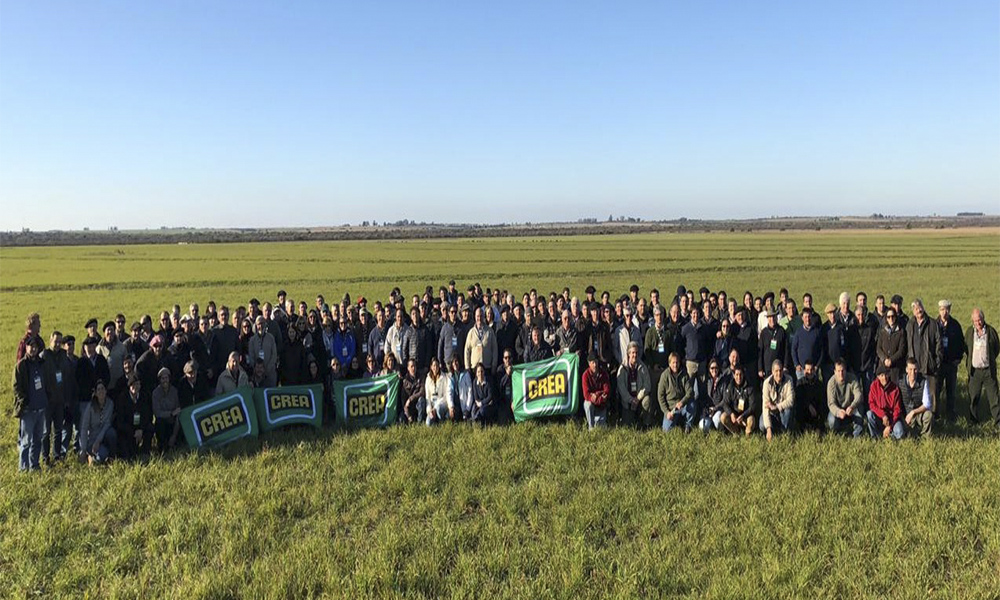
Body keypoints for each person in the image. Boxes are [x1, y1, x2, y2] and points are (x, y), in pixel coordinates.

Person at [13, 336, 55, 472]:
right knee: (26, 441)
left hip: (41, 407)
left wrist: (47, 397)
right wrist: (23, 401)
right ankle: (23, 468)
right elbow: (16, 387)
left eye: (35, 347)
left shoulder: (42, 363)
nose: (33, 349)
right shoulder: (21, 365)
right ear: (26, 347)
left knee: (38, 439)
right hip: (28, 410)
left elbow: (47, 381)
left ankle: (34, 465)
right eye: (31, 346)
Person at [905, 299, 943, 418]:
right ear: (913, 311)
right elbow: (906, 344)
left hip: (929, 366)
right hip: (914, 367)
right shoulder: (910, 324)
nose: (918, 310)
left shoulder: (932, 324)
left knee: (932, 394)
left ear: (923, 307)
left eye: (920, 307)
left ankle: (934, 419)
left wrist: (936, 363)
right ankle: (916, 419)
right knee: (916, 395)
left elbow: (939, 344)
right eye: (916, 308)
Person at [965, 308, 999, 425]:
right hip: (975, 371)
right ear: (972, 321)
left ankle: (998, 421)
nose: (978, 323)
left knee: (994, 397)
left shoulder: (991, 331)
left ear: (983, 319)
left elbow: (996, 348)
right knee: (973, 397)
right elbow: (966, 348)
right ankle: (973, 421)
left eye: (979, 320)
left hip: (988, 371)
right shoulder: (970, 332)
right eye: (975, 321)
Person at [935, 300, 966, 422]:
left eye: (946, 309)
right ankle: (936, 415)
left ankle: (950, 415)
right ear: (939, 310)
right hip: (939, 364)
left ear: (950, 310)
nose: (944, 312)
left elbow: (961, 344)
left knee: (951, 391)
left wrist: (957, 360)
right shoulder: (934, 325)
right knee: (936, 390)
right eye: (942, 309)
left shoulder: (955, 325)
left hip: (951, 364)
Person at [78, 380, 116, 465]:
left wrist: (98, 441)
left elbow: (107, 424)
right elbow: (84, 428)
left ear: (106, 391)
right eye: (98, 389)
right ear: (95, 393)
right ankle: (89, 455)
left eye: (103, 389)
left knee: (112, 433)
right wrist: (83, 449)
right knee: (100, 458)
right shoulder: (90, 407)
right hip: (92, 439)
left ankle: (111, 458)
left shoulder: (110, 404)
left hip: (103, 437)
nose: (101, 391)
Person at [114, 374, 153, 459]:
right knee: (128, 456)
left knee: (150, 428)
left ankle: (145, 452)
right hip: (128, 429)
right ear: (129, 386)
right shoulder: (122, 398)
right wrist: (133, 432)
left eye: (138, 384)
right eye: (133, 384)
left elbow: (147, 415)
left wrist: (141, 429)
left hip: (140, 427)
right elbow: (120, 421)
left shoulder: (144, 396)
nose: (136, 387)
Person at [658, 353, 696, 433]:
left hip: (683, 405)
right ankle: (678, 421)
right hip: (671, 408)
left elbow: (689, 391)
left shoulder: (684, 374)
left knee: (692, 404)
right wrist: (666, 412)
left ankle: (688, 425)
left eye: (677, 362)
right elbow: (660, 396)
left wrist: (682, 402)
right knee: (666, 430)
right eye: (673, 363)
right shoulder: (664, 376)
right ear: (669, 363)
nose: (675, 365)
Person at [826, 359, 864, 437]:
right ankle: (838, 434)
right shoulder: (831, 383)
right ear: (834, 372)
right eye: (838, 371)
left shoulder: (852, 378)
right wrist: (838, 411)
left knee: (860, 409)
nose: (841, 373)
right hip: (839, 409)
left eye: (842, 370)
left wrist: (852, 406)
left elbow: (859, 395)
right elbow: (831, 403)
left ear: (846, 370)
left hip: (851, 408)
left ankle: (857, 434)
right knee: (832, 420)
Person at [719, 364, 758, 436]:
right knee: (723, 417)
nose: (739, 377)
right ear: (734, 375)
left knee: (751, 420)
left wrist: (743, 415)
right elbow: (725, 403)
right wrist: (731, 414)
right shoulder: (730, 387)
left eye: (740, 374)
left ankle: (747, 436)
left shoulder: (749, 387)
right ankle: (736, 433)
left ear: (743, 375)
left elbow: (753, 406)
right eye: (737, 375)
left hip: (746, 416)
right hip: (735, 416)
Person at [760, 359, 795, 440]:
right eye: (776, 371)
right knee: (762, 425)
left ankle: (783, 432)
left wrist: (776, 406)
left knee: (788, 411)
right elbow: (765, 407)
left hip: (783, 410)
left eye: (780, 370)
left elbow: (791, 400)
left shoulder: (789, 380)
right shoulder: (766, 383)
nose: (779, 373)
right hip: (772, 413)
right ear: (772, 372)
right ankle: (773, 430)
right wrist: (768, 428)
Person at [867, 365, 904, 440]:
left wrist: (890, 426)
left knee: (900, 433)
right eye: (882, 375)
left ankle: (888, 434)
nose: (884, 378)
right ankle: (875, 437)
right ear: (878, 377)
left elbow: (897, 409)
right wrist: (883, 415)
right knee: (869, 414)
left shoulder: (895, 389)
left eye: (886, 375)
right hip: (879, 416)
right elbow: (871, 404)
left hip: (892, 418)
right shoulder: (874, 386)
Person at [899, 358, 933, 437]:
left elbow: (927, 404)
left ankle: (925, 437)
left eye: (915, 369)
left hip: (918, 413)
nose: (913, 372)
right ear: (906, 369)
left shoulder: (923, 381)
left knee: (929, 415)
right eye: (910, 369)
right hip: (904, 414)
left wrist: (913, 412)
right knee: (906, 435)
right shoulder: (900, 382)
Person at [757, 308, 791, 382]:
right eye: (770, 317)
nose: (772, 319)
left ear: (776, 317)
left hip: (779, 369)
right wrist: (760, 368)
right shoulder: (764, 332)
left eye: (773, 317)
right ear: (767, 318)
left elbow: (786, 350)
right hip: (767, 368)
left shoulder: (782, 331)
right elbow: (760, 351)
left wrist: (785, 366)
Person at [151, 367, 181, 450]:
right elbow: (157, 413)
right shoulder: (155, 393)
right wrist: (171, 413)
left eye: (166, 378)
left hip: (173, 422)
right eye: (162, 378)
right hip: (162, 423)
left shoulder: (174, 391)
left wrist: (174, 435)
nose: (165, 380)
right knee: (159, 423)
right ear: (160, 380)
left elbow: (178, 411)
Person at [876, 307, 907, 383]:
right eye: (888, 317)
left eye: (892, 316)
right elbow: (878, 348)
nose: (891, 319)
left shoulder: (901, 332)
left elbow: (902, 350)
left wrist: (891, 360)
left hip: (896, 367)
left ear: (895, 317)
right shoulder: (882, 331)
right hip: (883, 366)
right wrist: (884, 359)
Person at [791, 308, 823, 379]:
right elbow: (793, 349)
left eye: (809, 316)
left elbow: (821, 350)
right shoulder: (798, 332)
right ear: (802, 318)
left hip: (813, 370)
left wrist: (817, 366)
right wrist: (796, 364)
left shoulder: (817, 332)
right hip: (801, 370)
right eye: (805, 317)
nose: (807, 319)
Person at [795, 361, 826, 433]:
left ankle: (818, 427)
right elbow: (799, 398)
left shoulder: (819, 384)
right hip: (804, 410)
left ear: (814, 370)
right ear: (804, 371)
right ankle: (803, 427)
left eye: (811, 370)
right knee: (799, 406)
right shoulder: (800, 383)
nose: (809, 372)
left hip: (815, 412)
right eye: (807, 370)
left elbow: (822, 400)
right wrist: (809, 405)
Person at [582, 353, 610, 430]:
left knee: (602, 428)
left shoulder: (603, 373)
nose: (595, 365)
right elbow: (586, 394)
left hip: (601, 403)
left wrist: (597, 395)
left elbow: (607, 390)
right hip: (593, 401)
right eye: (593, 363)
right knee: (587, 404)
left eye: (596, 362)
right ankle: (590, 427)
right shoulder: (585, 375)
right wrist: (598, 397)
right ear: (589, 364)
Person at [700, 358, 729, 432]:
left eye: (716, 368)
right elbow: (703, 397)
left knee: (717, 421)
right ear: (709, 369)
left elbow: (725, 399)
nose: (714, 370)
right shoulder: (706, 381)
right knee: (702, 426)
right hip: (708, 409)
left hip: (719, 408)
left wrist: (715, 408)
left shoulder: (723, 381)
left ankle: (719, 430)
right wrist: (707, 408)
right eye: (712, 368)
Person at [248, 316, 278, 387]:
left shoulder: (271, 338)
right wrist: (257, 369)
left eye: (262, 323)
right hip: (256, 375)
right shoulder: (252, 340)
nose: (260, 326)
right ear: (256, 325)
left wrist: (267, 369)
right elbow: (251, 356)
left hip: (270, 374)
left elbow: (274, 355)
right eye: (259, 324)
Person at [424, 357, 453, 425]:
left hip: (441, 403)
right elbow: (427, 397)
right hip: (432, 404)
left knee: (439, 409)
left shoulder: (444, 377)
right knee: (428, 423)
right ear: (431, 367)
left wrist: (435, 407)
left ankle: (442, 421)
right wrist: (429, 410)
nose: (435, 367)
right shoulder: (428, 379)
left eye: (437, 365)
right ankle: (435, 421)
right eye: (434, 365)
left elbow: (445, 396)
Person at [401, 359, 424, 424]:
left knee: (421, 400)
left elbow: (422, 392)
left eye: (414, 366)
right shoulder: (405, 381)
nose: (413, 368)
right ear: (408, 368)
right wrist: (408, 415)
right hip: (408, 407)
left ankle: (420, 423)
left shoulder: (421, 377)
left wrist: (410, 399)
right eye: (411, 366)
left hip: (417, 404)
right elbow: (403, 400)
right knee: (401, 420)